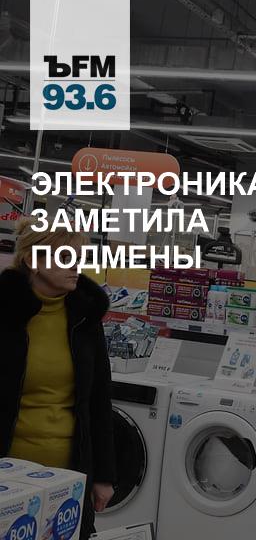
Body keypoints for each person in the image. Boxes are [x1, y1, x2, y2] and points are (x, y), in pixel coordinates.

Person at [0, 219, 116, 540]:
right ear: (32, 261)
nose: (76, 266)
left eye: (79, 257)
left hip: (70, 474)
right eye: (65, 257)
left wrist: (104, 476)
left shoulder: (85, 318)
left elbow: (99, 400)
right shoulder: (5, 314)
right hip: (9, 472)